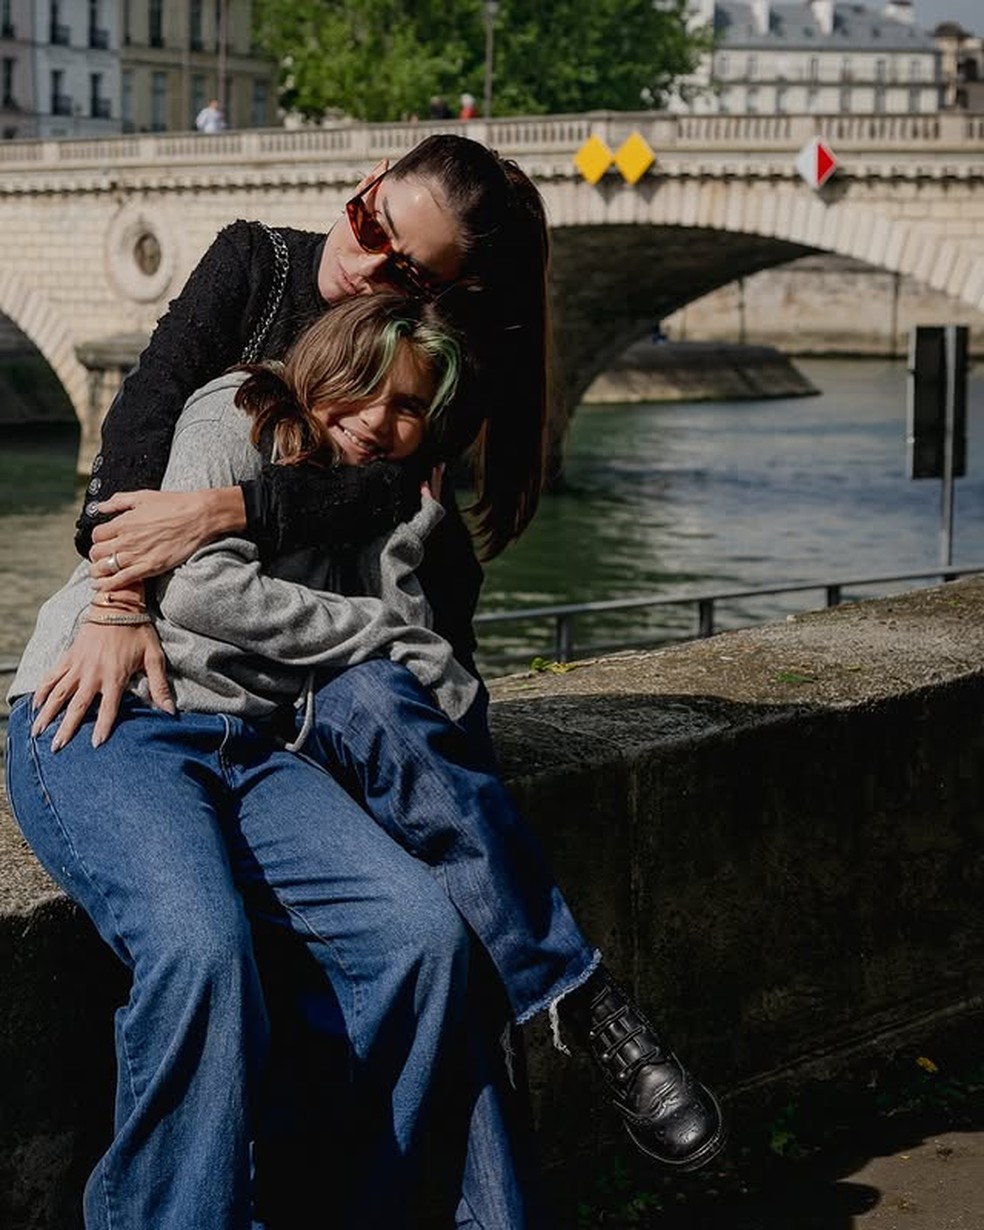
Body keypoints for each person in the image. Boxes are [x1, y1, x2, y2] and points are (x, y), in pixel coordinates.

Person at [28, 135, 725, 1203]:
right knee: (205, 949)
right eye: (371, 230)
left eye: (409, 275)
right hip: (125, 700)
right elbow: (135, 446)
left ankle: (476, 1110)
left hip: (271, 728)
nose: (371, 268)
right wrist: (118, 599)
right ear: (363, 190)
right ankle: (569, 1000)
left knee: (433, 934)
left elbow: (400, 545)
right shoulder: (244, 348)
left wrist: (356, 523)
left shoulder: (410, 412)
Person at [7, 295, 534, 1228]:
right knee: (199, 948)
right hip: (110, 715)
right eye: (367, 387)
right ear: (326, 367)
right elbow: (202, 592)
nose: (381, 420)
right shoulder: (239, 411)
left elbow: (426, 668)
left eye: (410, 408)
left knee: (420, 937)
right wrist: (377, 629)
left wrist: (405, 540)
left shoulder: (376, 495)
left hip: (253, 747)